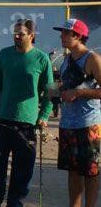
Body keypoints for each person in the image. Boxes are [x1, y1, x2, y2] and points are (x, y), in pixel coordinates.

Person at [0, 19, 53, 207]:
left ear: (32, 35)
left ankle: (15, 203)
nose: (16, 36)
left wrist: (44, 115)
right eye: (14, 32)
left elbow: (49, 92)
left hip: (27, 123)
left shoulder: (42, 58)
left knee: (22, 171)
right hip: (2, 119)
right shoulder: (4, 54)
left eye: (21, 33)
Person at [54, 18, 101, 207]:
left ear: (78, 36)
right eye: (62, 33)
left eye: (66, 33)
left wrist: (80, 92)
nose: (61, 36)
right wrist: (56, 90)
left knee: (91, 171)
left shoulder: (92, 59)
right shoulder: (66, 60)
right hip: (68, 123)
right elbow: (66, 85)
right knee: (72, 171)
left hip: (89, 124)